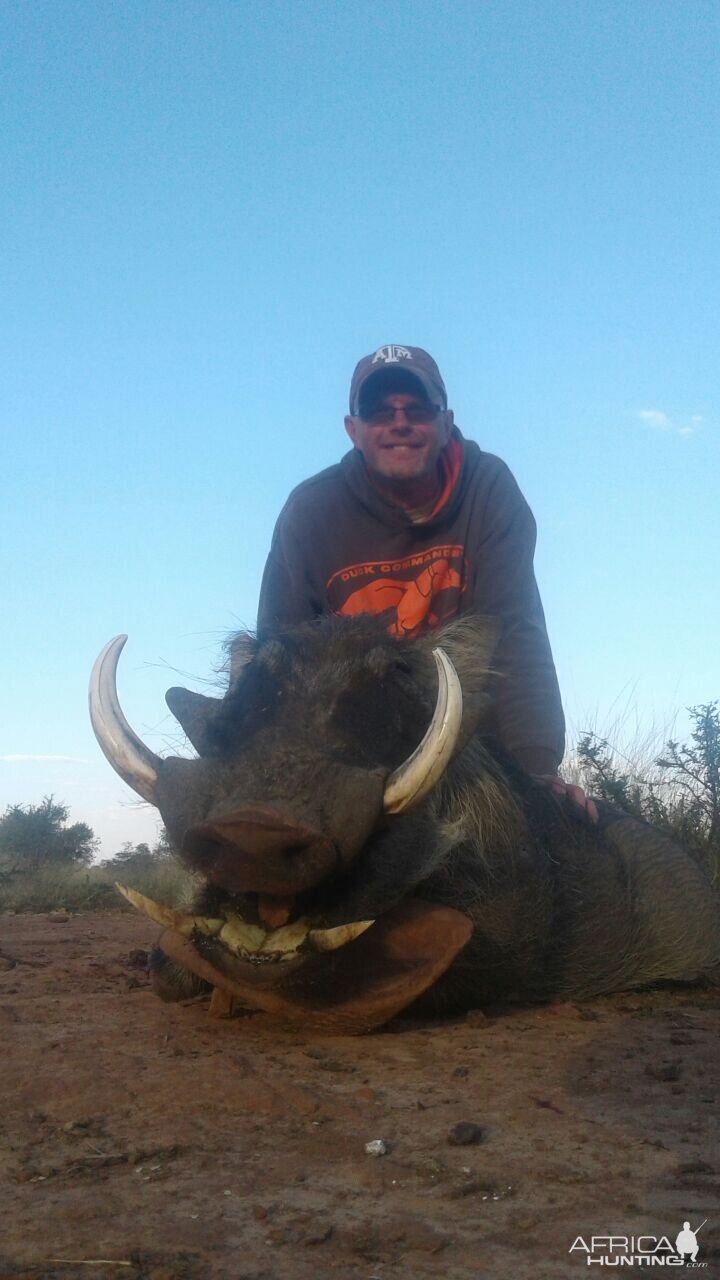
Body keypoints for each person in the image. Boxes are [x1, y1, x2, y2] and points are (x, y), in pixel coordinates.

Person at [257, 343, 596, 817]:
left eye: (418, 409)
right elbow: (275, 655)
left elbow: (516, 632)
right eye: (378, 411)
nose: (399, 422)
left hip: (469, 753)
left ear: (446, 422)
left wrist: (537, 771)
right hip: (348, 749)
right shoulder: (309, 512)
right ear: (352, 430)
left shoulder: (490, 489)